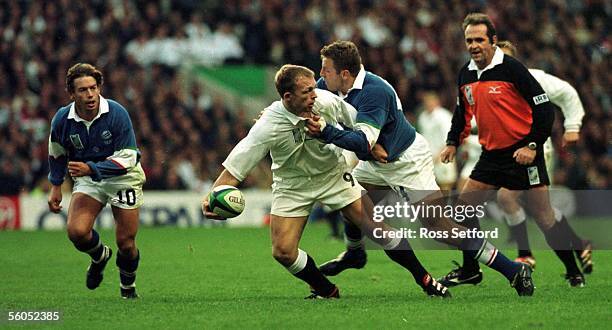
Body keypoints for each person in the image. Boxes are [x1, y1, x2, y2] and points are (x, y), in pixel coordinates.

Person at [203, 64, 453, 299]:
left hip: (333, 174)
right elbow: (235, 167)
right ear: (287, 98)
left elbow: (360, 124)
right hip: (292, 185)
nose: (315, 94)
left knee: (378, 229)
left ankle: (425, 280)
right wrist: (213, 198)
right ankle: (326, 289)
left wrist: (373, 146)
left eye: (314, 87)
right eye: (307, 91)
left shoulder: (326, 101)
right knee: (283, 252)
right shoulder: (266, 126)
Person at [309, 41, 533, 296]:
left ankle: (513, 270)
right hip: (375, 161)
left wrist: (334, 134)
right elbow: (313, 109)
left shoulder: (375, 91)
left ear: (345, 74)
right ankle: (355, 253)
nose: (321, 75)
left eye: (326, 70)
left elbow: (363, 141)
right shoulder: (327, 86)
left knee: (438, 226)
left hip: (407, 161)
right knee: (349, 193)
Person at [439, 13, 586, 287]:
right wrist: (451, 142)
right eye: (469, 40)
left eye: (479, 40)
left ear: (492, 40)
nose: (473, 45)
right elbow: (462, 113)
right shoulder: (466, 73)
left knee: (544, 217)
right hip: (492, 156)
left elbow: (543, 109)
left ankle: (572, 270)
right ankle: (471, 270)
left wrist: (531, 145)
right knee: (462, 211)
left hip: (523, 155)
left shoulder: (512, 69)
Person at [492, 40, 592, 272]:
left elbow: (567, 92)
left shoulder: (532, 77)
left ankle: (525, 254)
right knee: (540, 211)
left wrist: (573, 126)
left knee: (508, 199)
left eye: (506, 59)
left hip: (536, 150)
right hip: (510, 152)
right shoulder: (490, 83)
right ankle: (578, 246)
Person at [48, 63, 146, 299]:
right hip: (88, 179)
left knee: (126, 243)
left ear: (99, 87)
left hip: (123, 177)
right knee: (77, 232)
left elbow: (129, 157)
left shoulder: (116, 113)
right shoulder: (62, 119)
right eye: (82, 90)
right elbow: (56, 152)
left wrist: (91, 168)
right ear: (72, 94)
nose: (90, 95)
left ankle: (128, 287)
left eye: (93, 88)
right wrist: (56, 185)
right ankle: (100, 255)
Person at [417, 92, 457, 192]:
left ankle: (448, 207)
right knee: (429, 185)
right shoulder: (422, 117)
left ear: (436, 102)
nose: (428, 104)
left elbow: (449, 138)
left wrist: (440, 154)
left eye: (430, 101)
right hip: (428, 157)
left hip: (443, 155)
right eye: (426, 102)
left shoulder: (444, 116)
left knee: (446, 184)